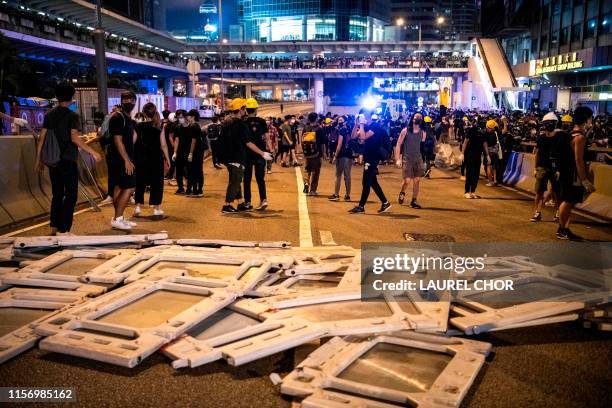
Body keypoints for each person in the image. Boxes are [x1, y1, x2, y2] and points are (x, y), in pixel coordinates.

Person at [34, 82, 101, 235]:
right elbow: (75, 138)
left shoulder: (49, 115)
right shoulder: (73, 116)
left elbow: (42, 138)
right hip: (68, 160)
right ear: (72, 97)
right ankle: (64, 229)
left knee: (57, 193)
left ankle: (54, 226)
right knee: (71, 194)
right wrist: (93, 152)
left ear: (57, 97)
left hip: (53, 161)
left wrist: (38, 159)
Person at [220, 98, 272, 213]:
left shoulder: (226, 123)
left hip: (228, 158)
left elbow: (221, 141)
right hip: (238, 157)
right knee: (235, 181)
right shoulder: (241, 124)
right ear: (241, 109)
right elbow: (248, 142)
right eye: (243, 108)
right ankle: (227, 205)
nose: (245, 111)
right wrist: (263, 153)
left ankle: (242, 203)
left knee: (239, 181)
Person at [556, 106, 596, 240]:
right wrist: (584, 179)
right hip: (573, 175)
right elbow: (578, 160)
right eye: (590, 118)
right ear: (586, 120)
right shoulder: (580, 138)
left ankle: (563, 228)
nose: (591, 121)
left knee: (568, 201)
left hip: (566, 173)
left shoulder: (570, 134)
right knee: (568, 201)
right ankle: (562, 229)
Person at [348, 109, 391, 214]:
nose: (362, 116)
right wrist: (355, 124)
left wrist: (361, 125)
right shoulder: (365, 126)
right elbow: (353, 136)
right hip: (368, 156)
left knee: (366, 182)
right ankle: (385, 203)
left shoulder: (375, 126)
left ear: (368, 115)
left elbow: (363, 138)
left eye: (363, 114)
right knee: (373, 182)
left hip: (374, 157)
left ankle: (361, 206)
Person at [107, 91, 137, 230]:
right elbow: (118, 141)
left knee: (119, 187)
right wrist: (126, 160)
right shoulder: (118, 117)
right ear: (121, 101)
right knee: (130, 187)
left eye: (131, 100)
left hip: (121, 157)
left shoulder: (126, 117)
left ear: (135, 102)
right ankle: (118, 218)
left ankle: (118, 218)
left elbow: (129, 138)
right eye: (125, 99)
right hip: (119, 159)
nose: (128, 102)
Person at [134, 103, 170, 217]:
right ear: (155, 113)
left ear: (144, 113)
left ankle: (138, 207)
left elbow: (132, 142)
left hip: (140, 158)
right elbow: (163, 145)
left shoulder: (138, 126)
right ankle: (156, 208)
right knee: (157, 183)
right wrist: (168, 159)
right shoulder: (158, 127)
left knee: (140, 182)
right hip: (155, 158)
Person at [530, 112, 561, 222]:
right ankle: (537, 212)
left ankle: (558, 212)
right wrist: (535, 168)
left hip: (555, 168)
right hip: (542, 167)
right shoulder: (541, 138)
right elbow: (537, 153)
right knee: (539, 191)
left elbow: (561, 154)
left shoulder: (559, 138)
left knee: (556, 192)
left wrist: (559, 169)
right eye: (546, 123)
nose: (548, 125)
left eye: (550, 123)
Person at [395, 113, 427, 209]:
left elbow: (422, 147)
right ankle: (402, 192)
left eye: (419, 117)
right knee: (407, 181)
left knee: (417, 180)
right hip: (407, 159)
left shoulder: (423, 133)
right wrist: (397, 159)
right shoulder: (405, 131)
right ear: (412, 118)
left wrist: (425, 161)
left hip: (418, 159)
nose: (417, 118)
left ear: (421, 120)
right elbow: (398, 144)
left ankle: (414, 201)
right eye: (415, 116)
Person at [243, 98, 269, 210]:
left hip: (247, 154)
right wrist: (270, 148)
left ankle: (247, 202)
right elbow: (267, 137)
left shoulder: (243, 123)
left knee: (247, 179)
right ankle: (263, 200)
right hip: (260, 153)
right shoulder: (262, 121)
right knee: (260, 179)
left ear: (246, 110)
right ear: (256, 109)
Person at [462, 119, 489, 199]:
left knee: (476, 175)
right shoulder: (471, 130)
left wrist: (487, 155)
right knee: (469, 173)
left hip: (478, 156)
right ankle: (467, 192)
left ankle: (473, 192)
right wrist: (463, 154)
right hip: (469, 155)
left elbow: (485, 144)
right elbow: (465, 142)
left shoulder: (483, 133)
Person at [328, 115, 352, 201]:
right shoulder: (349, 129)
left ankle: (336, 194)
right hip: (349, 154)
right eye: (339, 120)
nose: (339, 122)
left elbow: (339, 144)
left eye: (340, 120)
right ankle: (347, 195)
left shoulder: (341, 130)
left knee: (338, 175)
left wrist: (335, 156)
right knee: (347, 176)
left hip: (342, 155)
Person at [302, 112, 322, 195]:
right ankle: (312, 190)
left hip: (307, 154)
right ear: (316, 119)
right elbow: (322, 143)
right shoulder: (319, 129)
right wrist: (324, 154)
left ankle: (306, 183)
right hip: (316, 154)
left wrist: (304, 152)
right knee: (315, 172)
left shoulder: (306, 128)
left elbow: (302, 140)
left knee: (307, 170)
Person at [186, 109, 205, 197]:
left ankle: (196, 190)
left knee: (194, 171)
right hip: (199, 151)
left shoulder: (193, 126)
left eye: (189, 116)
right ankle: (199, 189)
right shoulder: (197, 125)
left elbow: (193, 141)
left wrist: (190, 153)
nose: (187, 117)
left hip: (195, 152)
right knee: (199, 170)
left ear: (192, 117)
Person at [172, 109, 190, 195]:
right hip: (180, 152)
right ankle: (180, 188)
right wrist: (175, 152)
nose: (180, 119)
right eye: (179, 118)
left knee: (189, 170)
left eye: (181, 117)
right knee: (179, 171)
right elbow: (176, 140)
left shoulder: (191, 127)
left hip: (189, 152)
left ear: (186, 117)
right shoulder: (178, 127)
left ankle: (190, 188)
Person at [484, 119, 502, 186]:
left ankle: (490, 182)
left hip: (489, 152)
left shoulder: (486, 134)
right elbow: (504, 131)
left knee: (489, 166)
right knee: (494, 166)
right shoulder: (496, 132)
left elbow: (485, 144)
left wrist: (487, 154)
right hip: (495, 151)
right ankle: (495, 180)